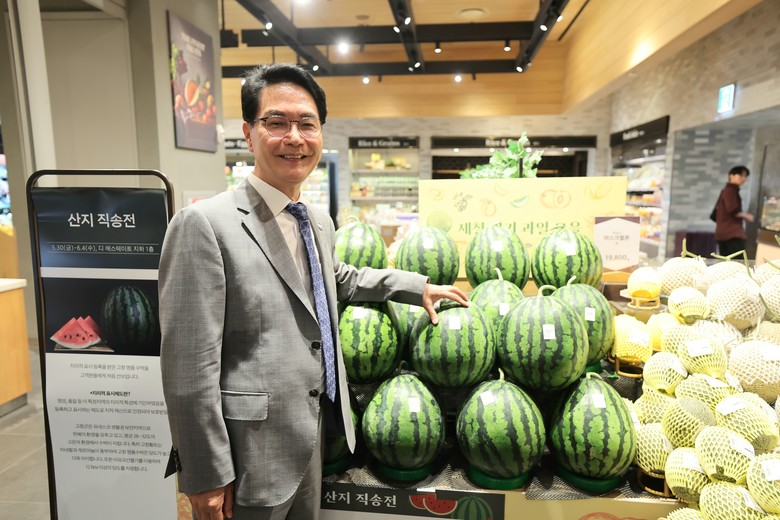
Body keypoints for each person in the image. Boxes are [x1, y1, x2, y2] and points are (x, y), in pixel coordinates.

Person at [158, 63, 468, 520]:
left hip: (312, 439)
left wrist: (414, 286)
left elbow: (335, 279)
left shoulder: (317, 220)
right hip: (249, 456)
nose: (294, 137)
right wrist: (205, 474)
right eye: (276, 122)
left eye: (307, 123)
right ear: (248, 134)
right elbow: (188, 369)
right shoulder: (204, 224)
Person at [713, 165, 754, 256]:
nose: (743, 178)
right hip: (732, 234)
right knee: (738, 262)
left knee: (728, 261)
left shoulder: (727, 190)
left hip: (724, 234)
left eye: (745, 176)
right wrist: (747, 216)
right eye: (741, 175)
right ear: (731, 175)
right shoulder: (730, 190)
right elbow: (733, 210)